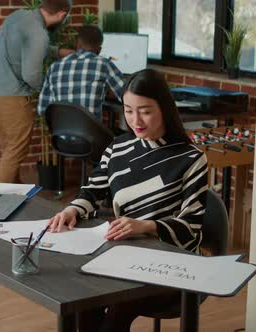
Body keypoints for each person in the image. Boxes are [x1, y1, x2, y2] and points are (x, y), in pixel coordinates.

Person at [48, 69, 209, 332]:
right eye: (128, 110)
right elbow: (92, 191)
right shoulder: (117, 148)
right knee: (82, 299)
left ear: (165, 109)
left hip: (174, 267)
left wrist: (146, 226)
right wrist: (73, 209)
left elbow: (191, 230)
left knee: (119, 305)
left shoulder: (191, 159)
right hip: (123, 257)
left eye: (145, 111)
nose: (136, 120)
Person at [0, 0, 72, 184]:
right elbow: (31, 76)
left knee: (9, 149)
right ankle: (1, 202)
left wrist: (57, 52)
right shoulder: (40, 34)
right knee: (15, 151)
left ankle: (15, 196)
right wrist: (47, 88)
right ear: (62, 15)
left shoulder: (18, 16)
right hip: (12, 96)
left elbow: (26, 46)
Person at [37, 25, 125, 119]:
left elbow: (42, 109)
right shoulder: (104, 64)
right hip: (90, 132)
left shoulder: (54, 67)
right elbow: (126, 96)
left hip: (61, 132)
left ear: (77, 44)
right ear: (99, 50)